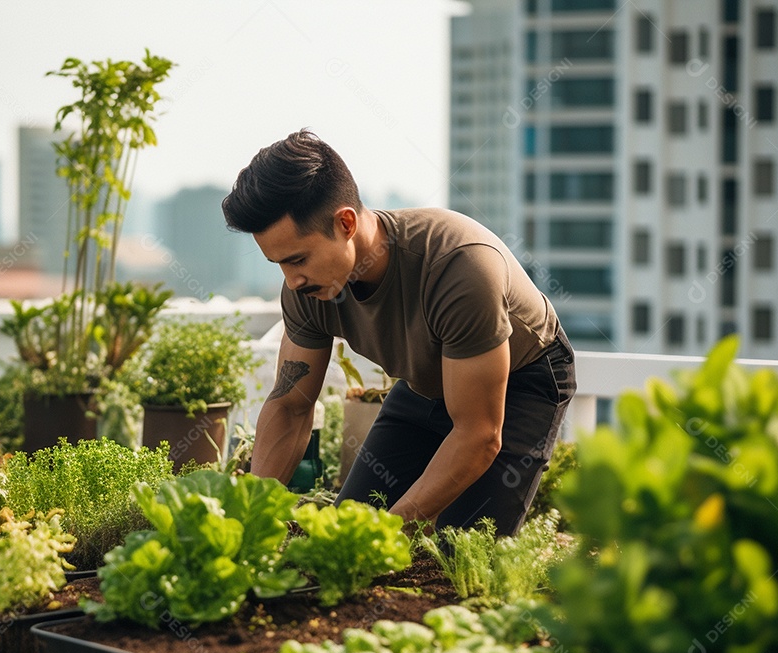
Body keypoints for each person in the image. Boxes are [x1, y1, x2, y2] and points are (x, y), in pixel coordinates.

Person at [221, 129, 576, 534]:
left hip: (523, 381)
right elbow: (290, 407)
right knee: (342, 534)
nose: (292, 280)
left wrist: (387, 531)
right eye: (279, 264)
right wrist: (248, 517)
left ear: (346, 223)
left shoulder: (460, 269)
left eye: (298, 259)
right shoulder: (307, 287)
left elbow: (478, 434)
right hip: (426, 382)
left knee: (457, 555)